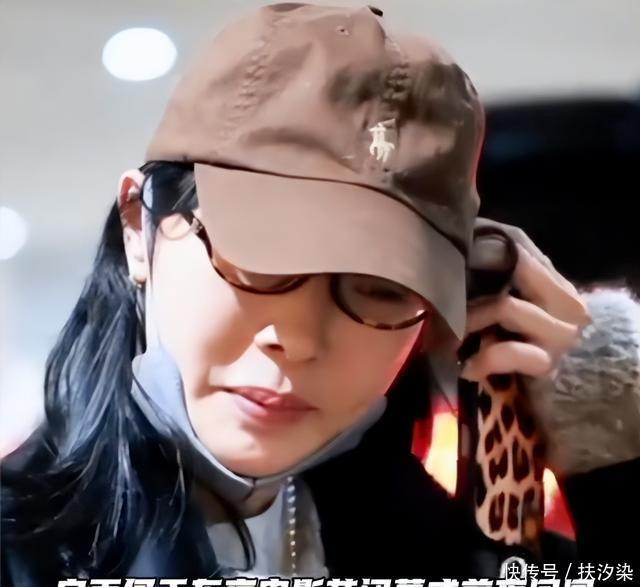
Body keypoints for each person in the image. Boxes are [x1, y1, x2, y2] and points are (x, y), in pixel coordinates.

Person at [2, 3, 640, 584]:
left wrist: (605, 426)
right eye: (258, 256)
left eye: (381, 288)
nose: (300, 339)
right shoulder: (21, 549)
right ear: (138, 229)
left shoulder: (427, 547)